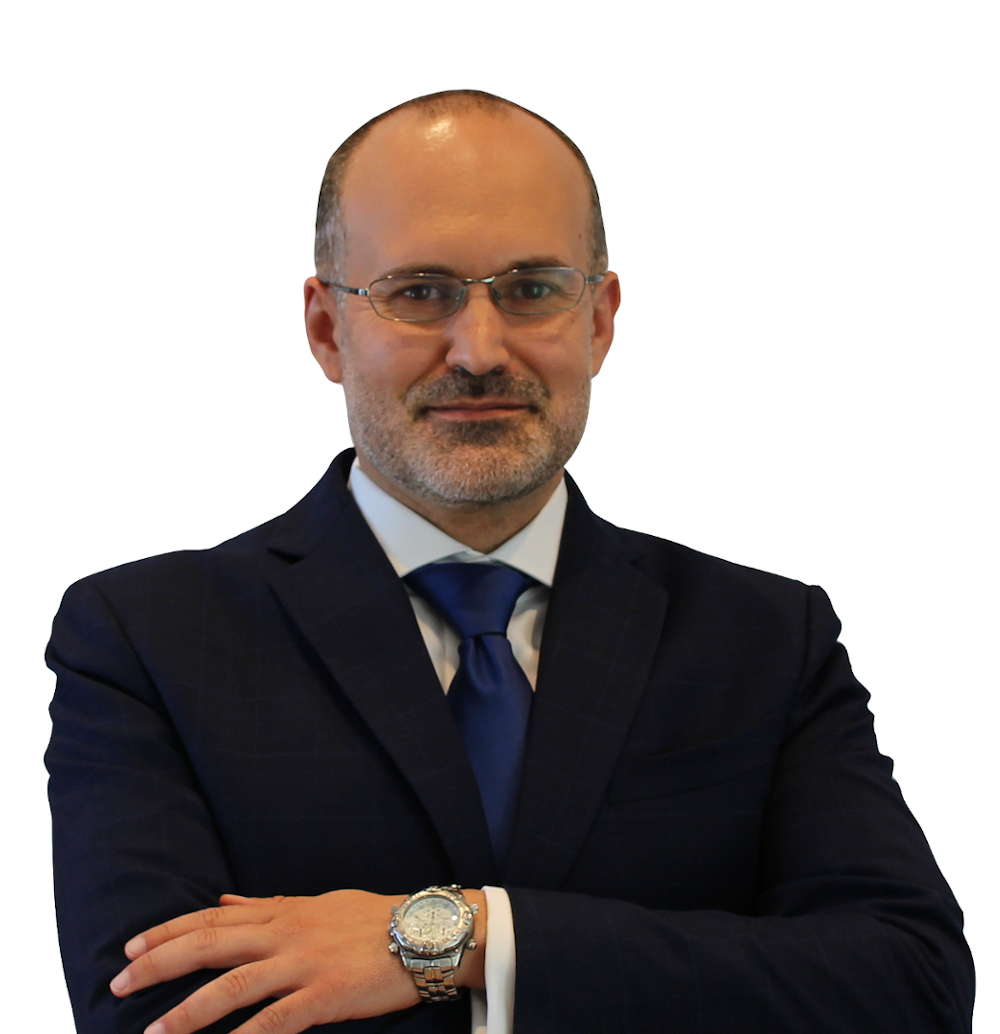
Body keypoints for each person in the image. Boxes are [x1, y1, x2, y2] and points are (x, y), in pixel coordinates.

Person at [45, 90, 974, 1034]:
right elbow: (161, 1015)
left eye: (532, 290)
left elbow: (911, 987)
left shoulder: (765, 640)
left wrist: (470, 941)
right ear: (327, 329)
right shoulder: (148, 641)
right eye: (419, 292)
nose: (480, 350)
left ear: (599, 320)